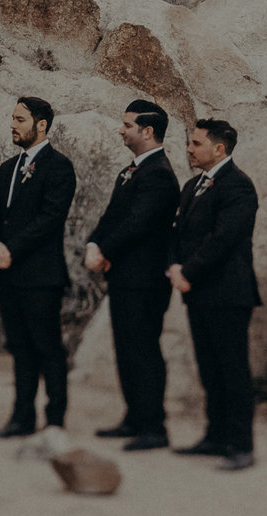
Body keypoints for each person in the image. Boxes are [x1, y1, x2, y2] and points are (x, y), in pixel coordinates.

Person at [84, 99, 181, 450]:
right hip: (125, 277)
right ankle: (134, 417)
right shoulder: (131, 171)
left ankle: (154, 427)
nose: (120, 129)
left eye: (127, 124)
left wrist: (105, 249)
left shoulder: (160, 175)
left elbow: (138, 224)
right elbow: (112, 216)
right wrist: (95, 242)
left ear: (148, 131)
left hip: (146, 279)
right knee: (125, 348)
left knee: (143, 350)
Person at [0, 96, 76, 439]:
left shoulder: (59, 166)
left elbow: (50, 219)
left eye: (20, 119)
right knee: (19, 347)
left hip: (41, 275)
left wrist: (11, 248)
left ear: (41, 125)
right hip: (7, 273)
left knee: (48, 348)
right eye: (12, 118)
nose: (12, 125)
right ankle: (21, 418)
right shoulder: (8, 168)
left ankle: (54, 420)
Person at [170, 117, 260, 471]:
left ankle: (241, 445)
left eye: (196, 143)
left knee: (232, 370)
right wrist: (175, 267)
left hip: (227, 293)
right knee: (209, 369)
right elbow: (178, 233)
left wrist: (188, 271)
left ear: (218, 148)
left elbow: (223, 239)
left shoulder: (239, 186)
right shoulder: (193, 185)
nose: (189, 149)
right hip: (198, 292)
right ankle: (215, 435)